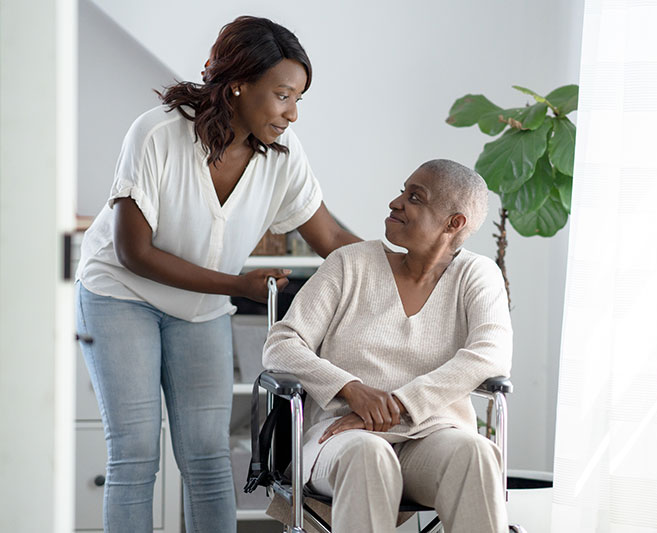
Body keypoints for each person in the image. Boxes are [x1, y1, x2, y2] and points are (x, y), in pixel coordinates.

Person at [74, 16, 359, 533]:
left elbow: (334, 241)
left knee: (207, 458)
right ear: (238, 84)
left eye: (298, 99)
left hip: (199, 310)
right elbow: (132, 251)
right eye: (282, 96)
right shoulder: (158, 133)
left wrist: (418, 265)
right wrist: (237, 285)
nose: (292, 113)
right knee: (135, 454)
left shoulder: (284, 157)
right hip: (120, 295)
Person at [263, 159, 513, 532]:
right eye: (402, 191)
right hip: (344, 435)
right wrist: (353, 390)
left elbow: (489, 355)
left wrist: (396, 405)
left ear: (453, 223)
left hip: (430, 436)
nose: (396, 202)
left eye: (415, 197)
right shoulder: (349, 264)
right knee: (369, 454)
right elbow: (281, 344)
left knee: (474, 453)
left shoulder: (476, 276)